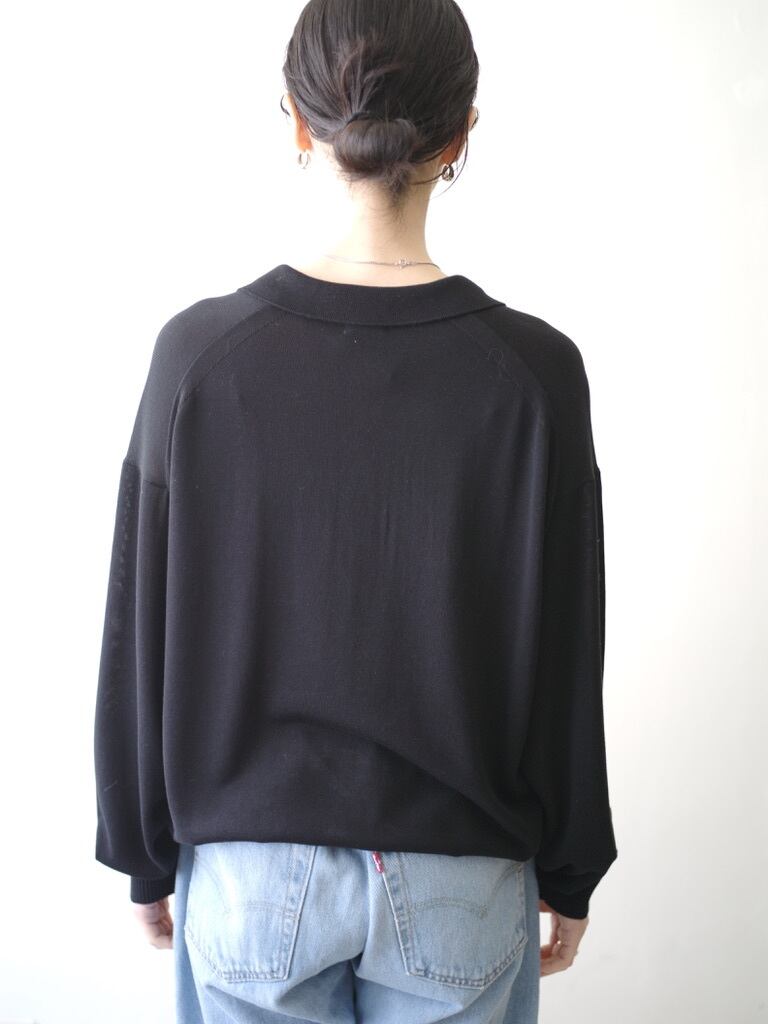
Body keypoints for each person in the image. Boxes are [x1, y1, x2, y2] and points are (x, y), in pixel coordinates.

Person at [93, 1, 618, 1021]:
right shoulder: (536, 375)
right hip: (464, 878)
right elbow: (565, 650)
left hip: (249, 880)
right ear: (461, 134)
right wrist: (573, 864)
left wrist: (141, 849)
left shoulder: (198, 359)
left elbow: (139, 628)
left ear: (298, 120)